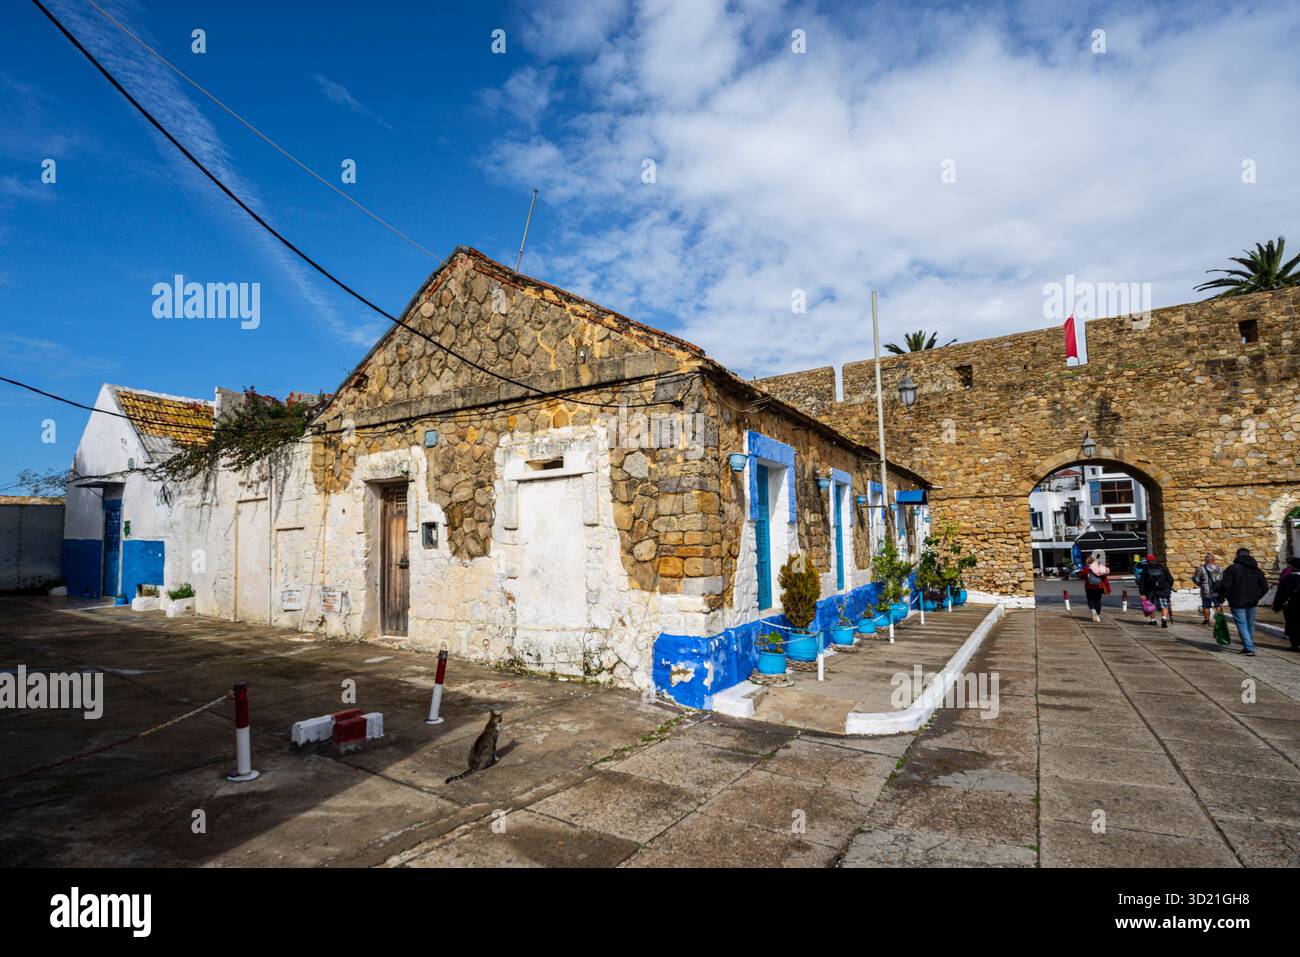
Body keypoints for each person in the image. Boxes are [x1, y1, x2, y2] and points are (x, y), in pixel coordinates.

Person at [1219, 547, 1270, 656]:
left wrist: (1221, 598)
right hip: (1252, 602)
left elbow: (1225, 586)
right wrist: (1257, 597)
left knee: (1242, 625)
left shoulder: (1232, 569)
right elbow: (1265, 587)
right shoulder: (1257, 570)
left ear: (1237, 556)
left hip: (1237, 602)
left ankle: (1248, 647)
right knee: (1250, 625)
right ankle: (1248, 645)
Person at [1271, 557, 1300, 652]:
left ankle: (1295, 645)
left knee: (1293, 625)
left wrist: (1277, 606)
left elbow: (1281, 594)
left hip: (1292, 606)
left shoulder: (1288, 579)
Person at [1139, 552, 1174, 628]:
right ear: (1155, 560)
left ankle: (1153, 620)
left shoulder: (1145, 570)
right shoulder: (1163, 568)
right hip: (1163, 590)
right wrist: (1169, 587)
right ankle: (1164, 618)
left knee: (1151, 605)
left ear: (1147, 561)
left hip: (1150, 591)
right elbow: (1170, 579)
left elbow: (1141, 583)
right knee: (1164, 605)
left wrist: (1142, 593)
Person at [1192, 553, 1224, 626]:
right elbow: (1222, 579)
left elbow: (1196, 579)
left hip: (1206, 591)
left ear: (1206, 560)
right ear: (1214, 560)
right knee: (1218, 605)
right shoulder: (1220, 568)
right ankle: (1219, 620)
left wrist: (1200, 584)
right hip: (1217, 591)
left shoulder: (1201, 569)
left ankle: (1207, 620)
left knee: (1206, 606)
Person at [1082, 550, 1111, 622]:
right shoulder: (1100, 568)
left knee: (1090, 600)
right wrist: (1108, 589)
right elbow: (1105, 580)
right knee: (1098, 601)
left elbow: (1083, 576)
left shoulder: (1086, 569)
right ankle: (1097, 616)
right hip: (1099, 587)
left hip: (1089, 587)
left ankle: (1093, 610)